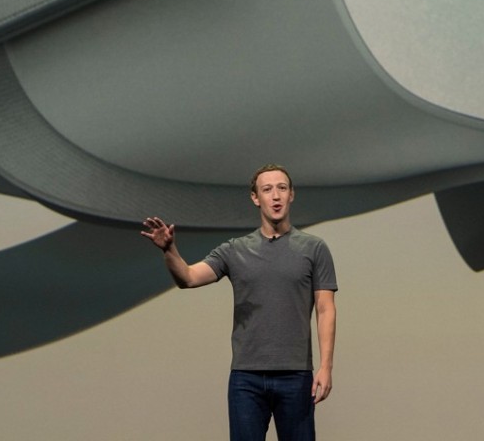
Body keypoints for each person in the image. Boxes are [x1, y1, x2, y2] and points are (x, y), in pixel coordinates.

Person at [140, 163, 338, 441]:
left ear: (292, 194)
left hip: (295, 376)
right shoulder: (235, 250)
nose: (276, 196)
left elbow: (325, 308)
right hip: (247, 378)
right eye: (267, 190)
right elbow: (188, 277)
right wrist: (169, 250)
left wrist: (326, 367)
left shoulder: (314, 249)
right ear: (256, 198)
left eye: (282, 188)